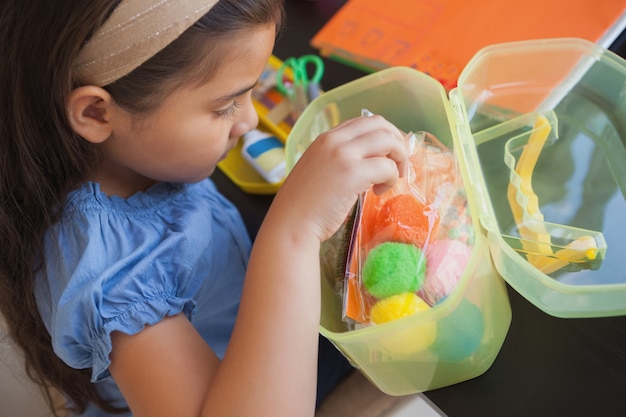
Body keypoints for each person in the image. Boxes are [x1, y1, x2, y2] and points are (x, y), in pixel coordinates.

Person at [0, 1, 409, 416]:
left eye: (254, 89)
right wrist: (293, 230)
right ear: (96, 112)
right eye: (224, 106)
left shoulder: (139, 157)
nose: (249, 120)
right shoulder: (112, 270)